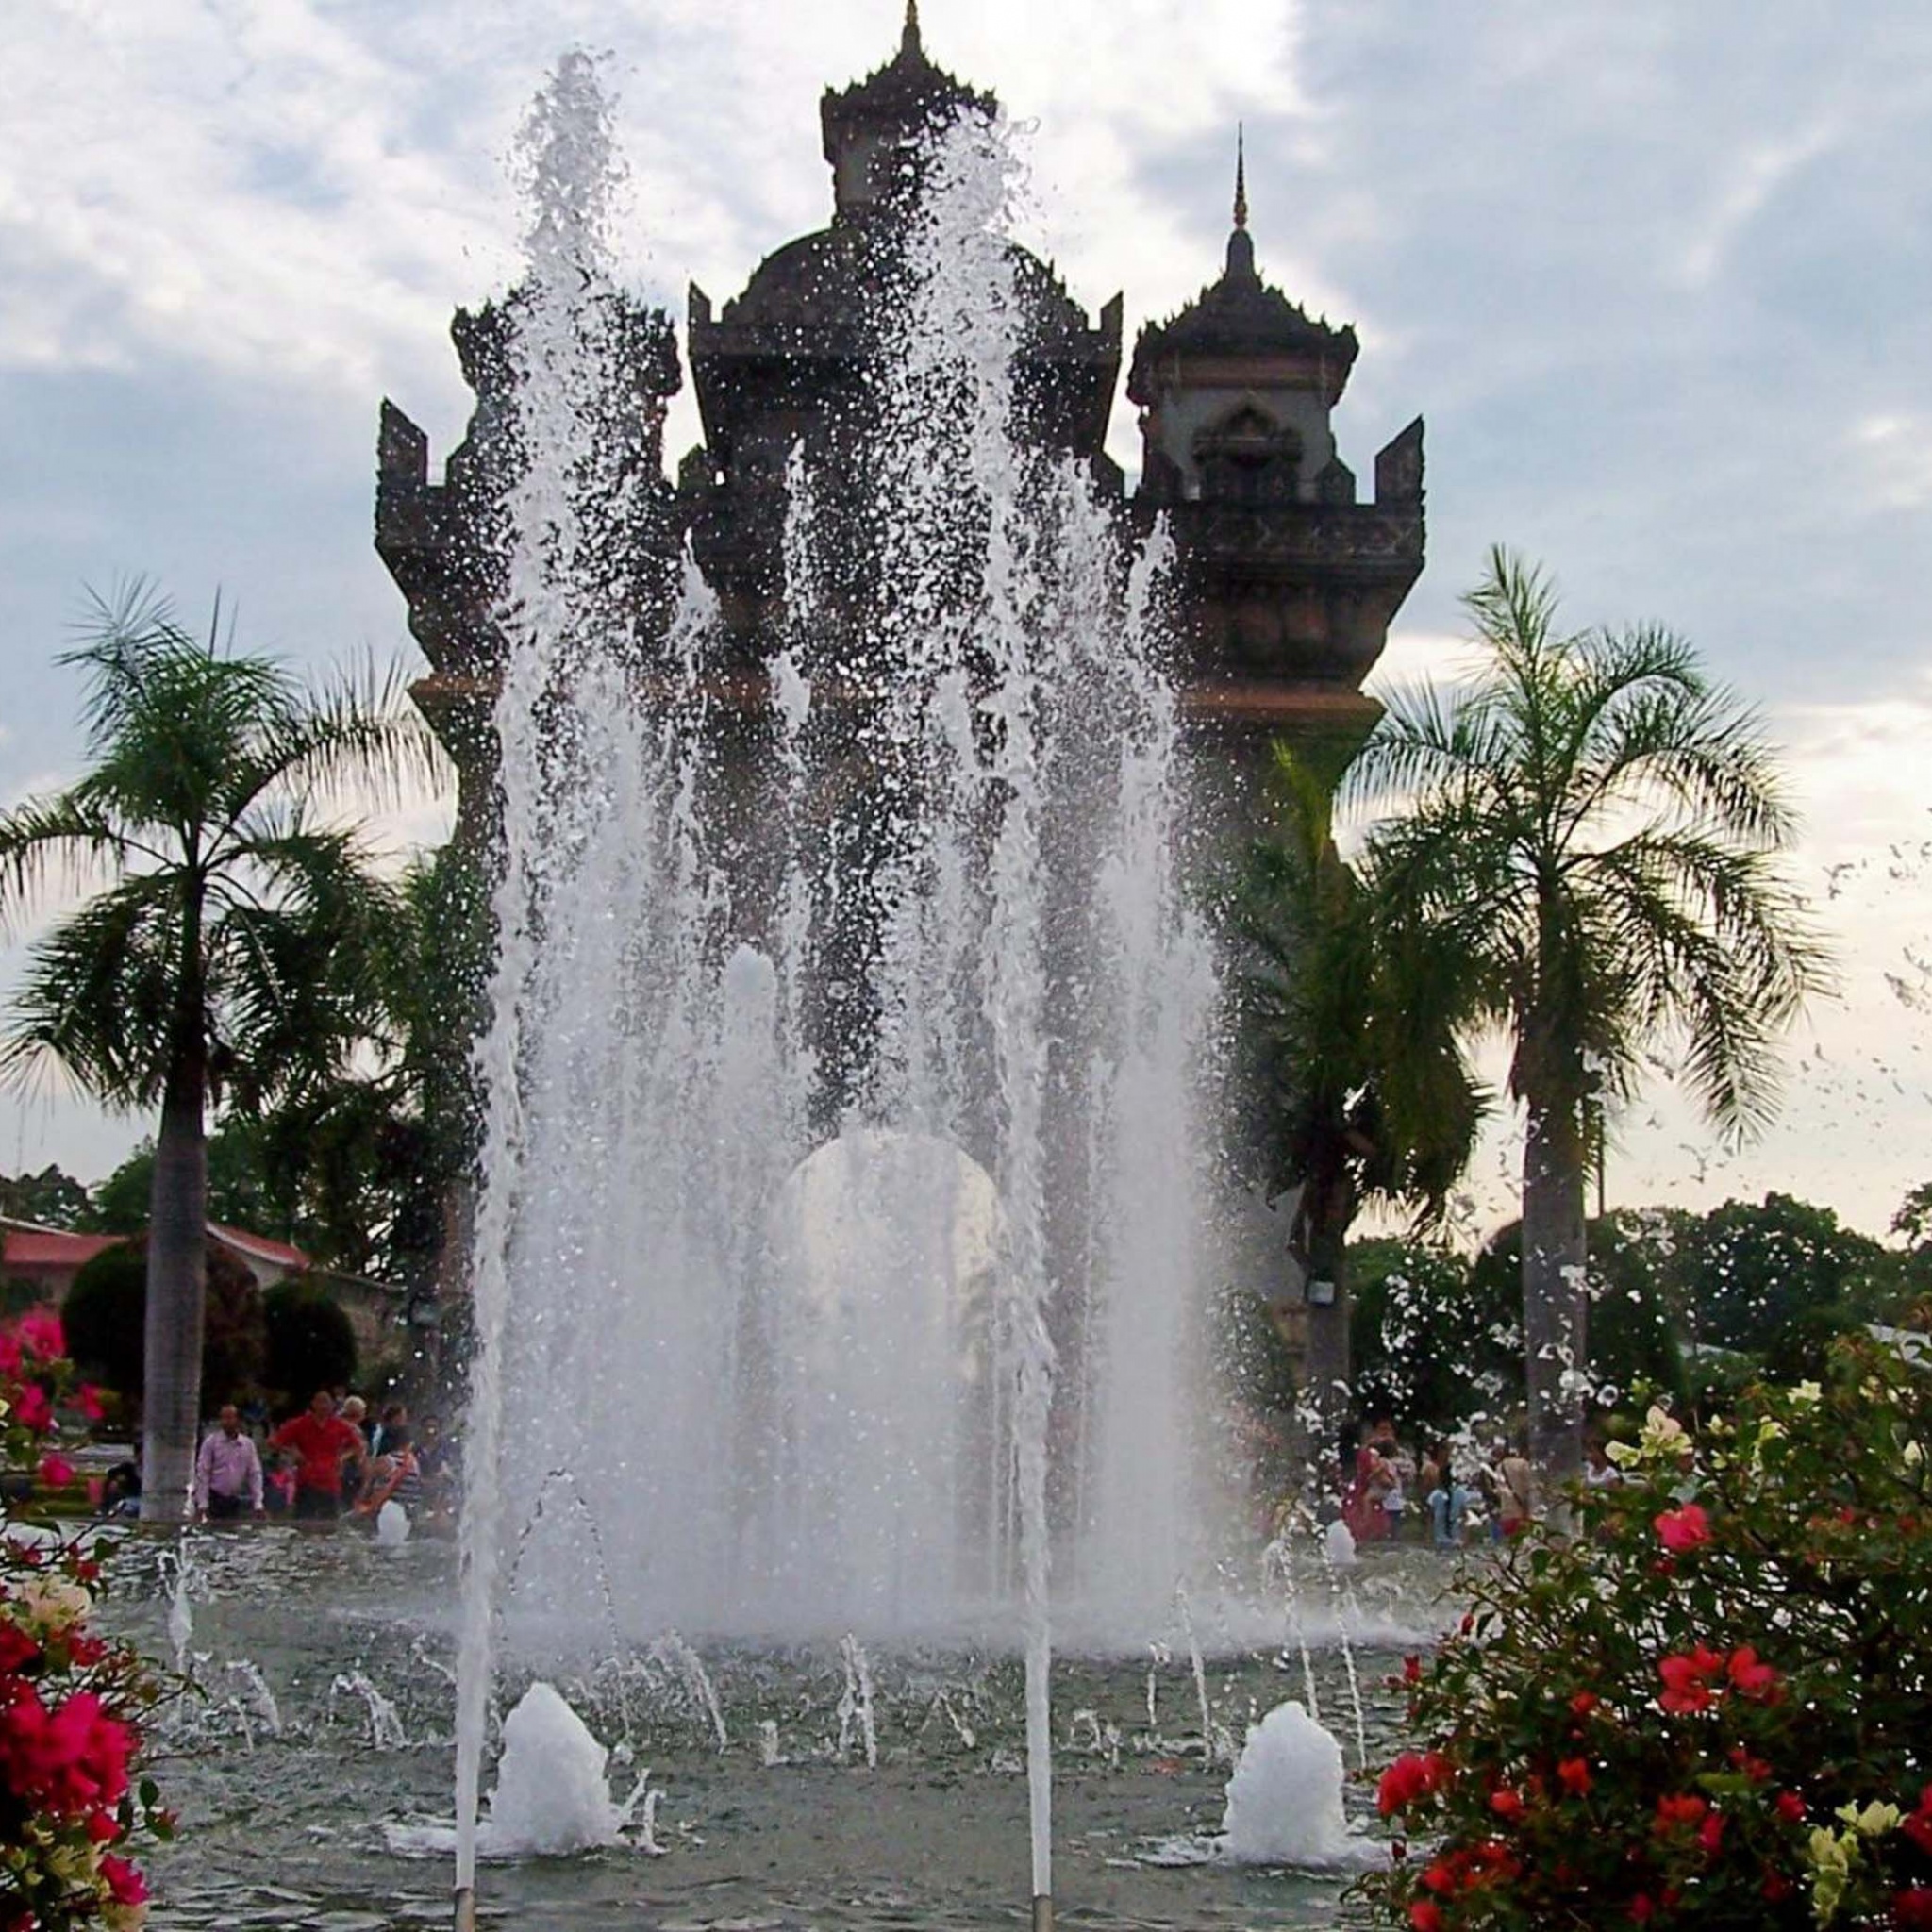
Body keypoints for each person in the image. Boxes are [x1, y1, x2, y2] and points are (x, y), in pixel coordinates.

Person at [271, 1389, 368, 1523]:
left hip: (330, 1482)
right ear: (313, 1403)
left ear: (333, 1405)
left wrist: (342, 1458)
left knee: (330, 1524)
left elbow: (358, 1445)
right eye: (320, 1401)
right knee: (303, 1523)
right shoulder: (300, 1424)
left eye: (326, 1401)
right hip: (306, 1480)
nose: (323, 1406)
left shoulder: (339, 1425)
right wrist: (293, 1452)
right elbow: (275, 1441)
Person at [193, 1404, 265, 1522]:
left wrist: (258, 1503)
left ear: (237, 1420)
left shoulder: (247, 1445)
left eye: (229, 1418)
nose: (226, 1422)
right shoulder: (211, 1443)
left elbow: (254, 1474)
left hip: (234, 1498)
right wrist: (202, 1503)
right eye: (223, 1418)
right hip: (214, 1497)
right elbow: (203, 1473)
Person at [355, 1424, 422, 1524]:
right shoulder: (415, 1463)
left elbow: (367, 1483)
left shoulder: (387, 1461)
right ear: (410, 1443)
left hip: (386, 1513)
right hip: (407, 1514)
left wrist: (359, 1502)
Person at [1496, 1434, 1535, 1537]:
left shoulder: (1500, 1466)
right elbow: (1529, 1489)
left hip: (1506, 1514)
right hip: (1521, 1514)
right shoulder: (1523, 1464)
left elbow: (1499, 1491)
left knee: (1512, 1547)